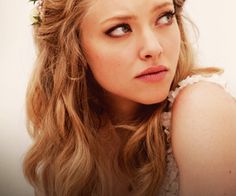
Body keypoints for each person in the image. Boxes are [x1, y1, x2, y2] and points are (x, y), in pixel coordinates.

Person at [23, 0, 236, 195]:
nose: (154, 48)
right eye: (120, 29)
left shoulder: (203, 108)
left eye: (165, 17)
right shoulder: (73, 150)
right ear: (73, 49)